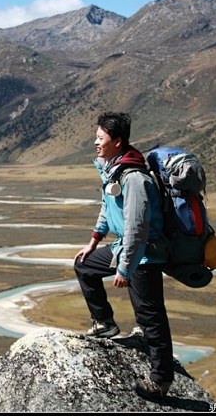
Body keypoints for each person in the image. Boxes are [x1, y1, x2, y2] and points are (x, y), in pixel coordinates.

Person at [73, 112, 175, 399]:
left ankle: (161, 380)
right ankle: (104, 323)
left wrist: (125, 269)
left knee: (150, 316)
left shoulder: (135, 179)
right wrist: (94, 241)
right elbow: (108, 207)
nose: (95, 142)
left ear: (117, 142)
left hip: (144, 255)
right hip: (124, 248)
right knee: (84, 266)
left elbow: (137, 229)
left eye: (101, 138)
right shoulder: (113, 169)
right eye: (96, 137)